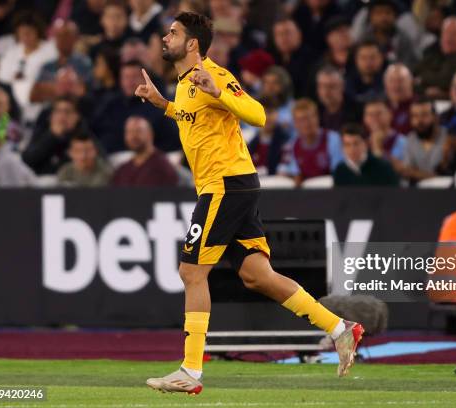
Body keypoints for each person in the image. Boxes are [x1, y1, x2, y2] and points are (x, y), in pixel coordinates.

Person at [135, 12, 363, 394]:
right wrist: (164, 104)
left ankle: (191, 370)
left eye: (173, 32)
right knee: (257, 275)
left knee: (192, 273)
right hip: (232, 184)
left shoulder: (214, 75)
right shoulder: (184, 84)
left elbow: (257, 114)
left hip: (225, 184)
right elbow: (195, 119)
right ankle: (341, 329)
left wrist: (219, 91)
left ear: (192, 43)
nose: (165, 36)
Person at [278, 98, 343, 185]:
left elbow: (338, 174)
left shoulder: (333, 139)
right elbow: (290, 175)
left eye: (310, 117)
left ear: (317, 117)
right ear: (295, 123)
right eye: (301, 120)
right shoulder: (292, 145)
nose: (307, 123)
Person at [111, 116, 179, 187]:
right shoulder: (123, 170)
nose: (133, 136)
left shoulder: (163, 166)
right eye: (129, 132)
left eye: (138, 131)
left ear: (150, 134)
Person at [333, 123, 399, 186]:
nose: (352, 149)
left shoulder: (383, 168)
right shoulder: (339, 171)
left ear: (365, 144)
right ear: (342, 147)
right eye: (347, 145)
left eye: (356, 143)